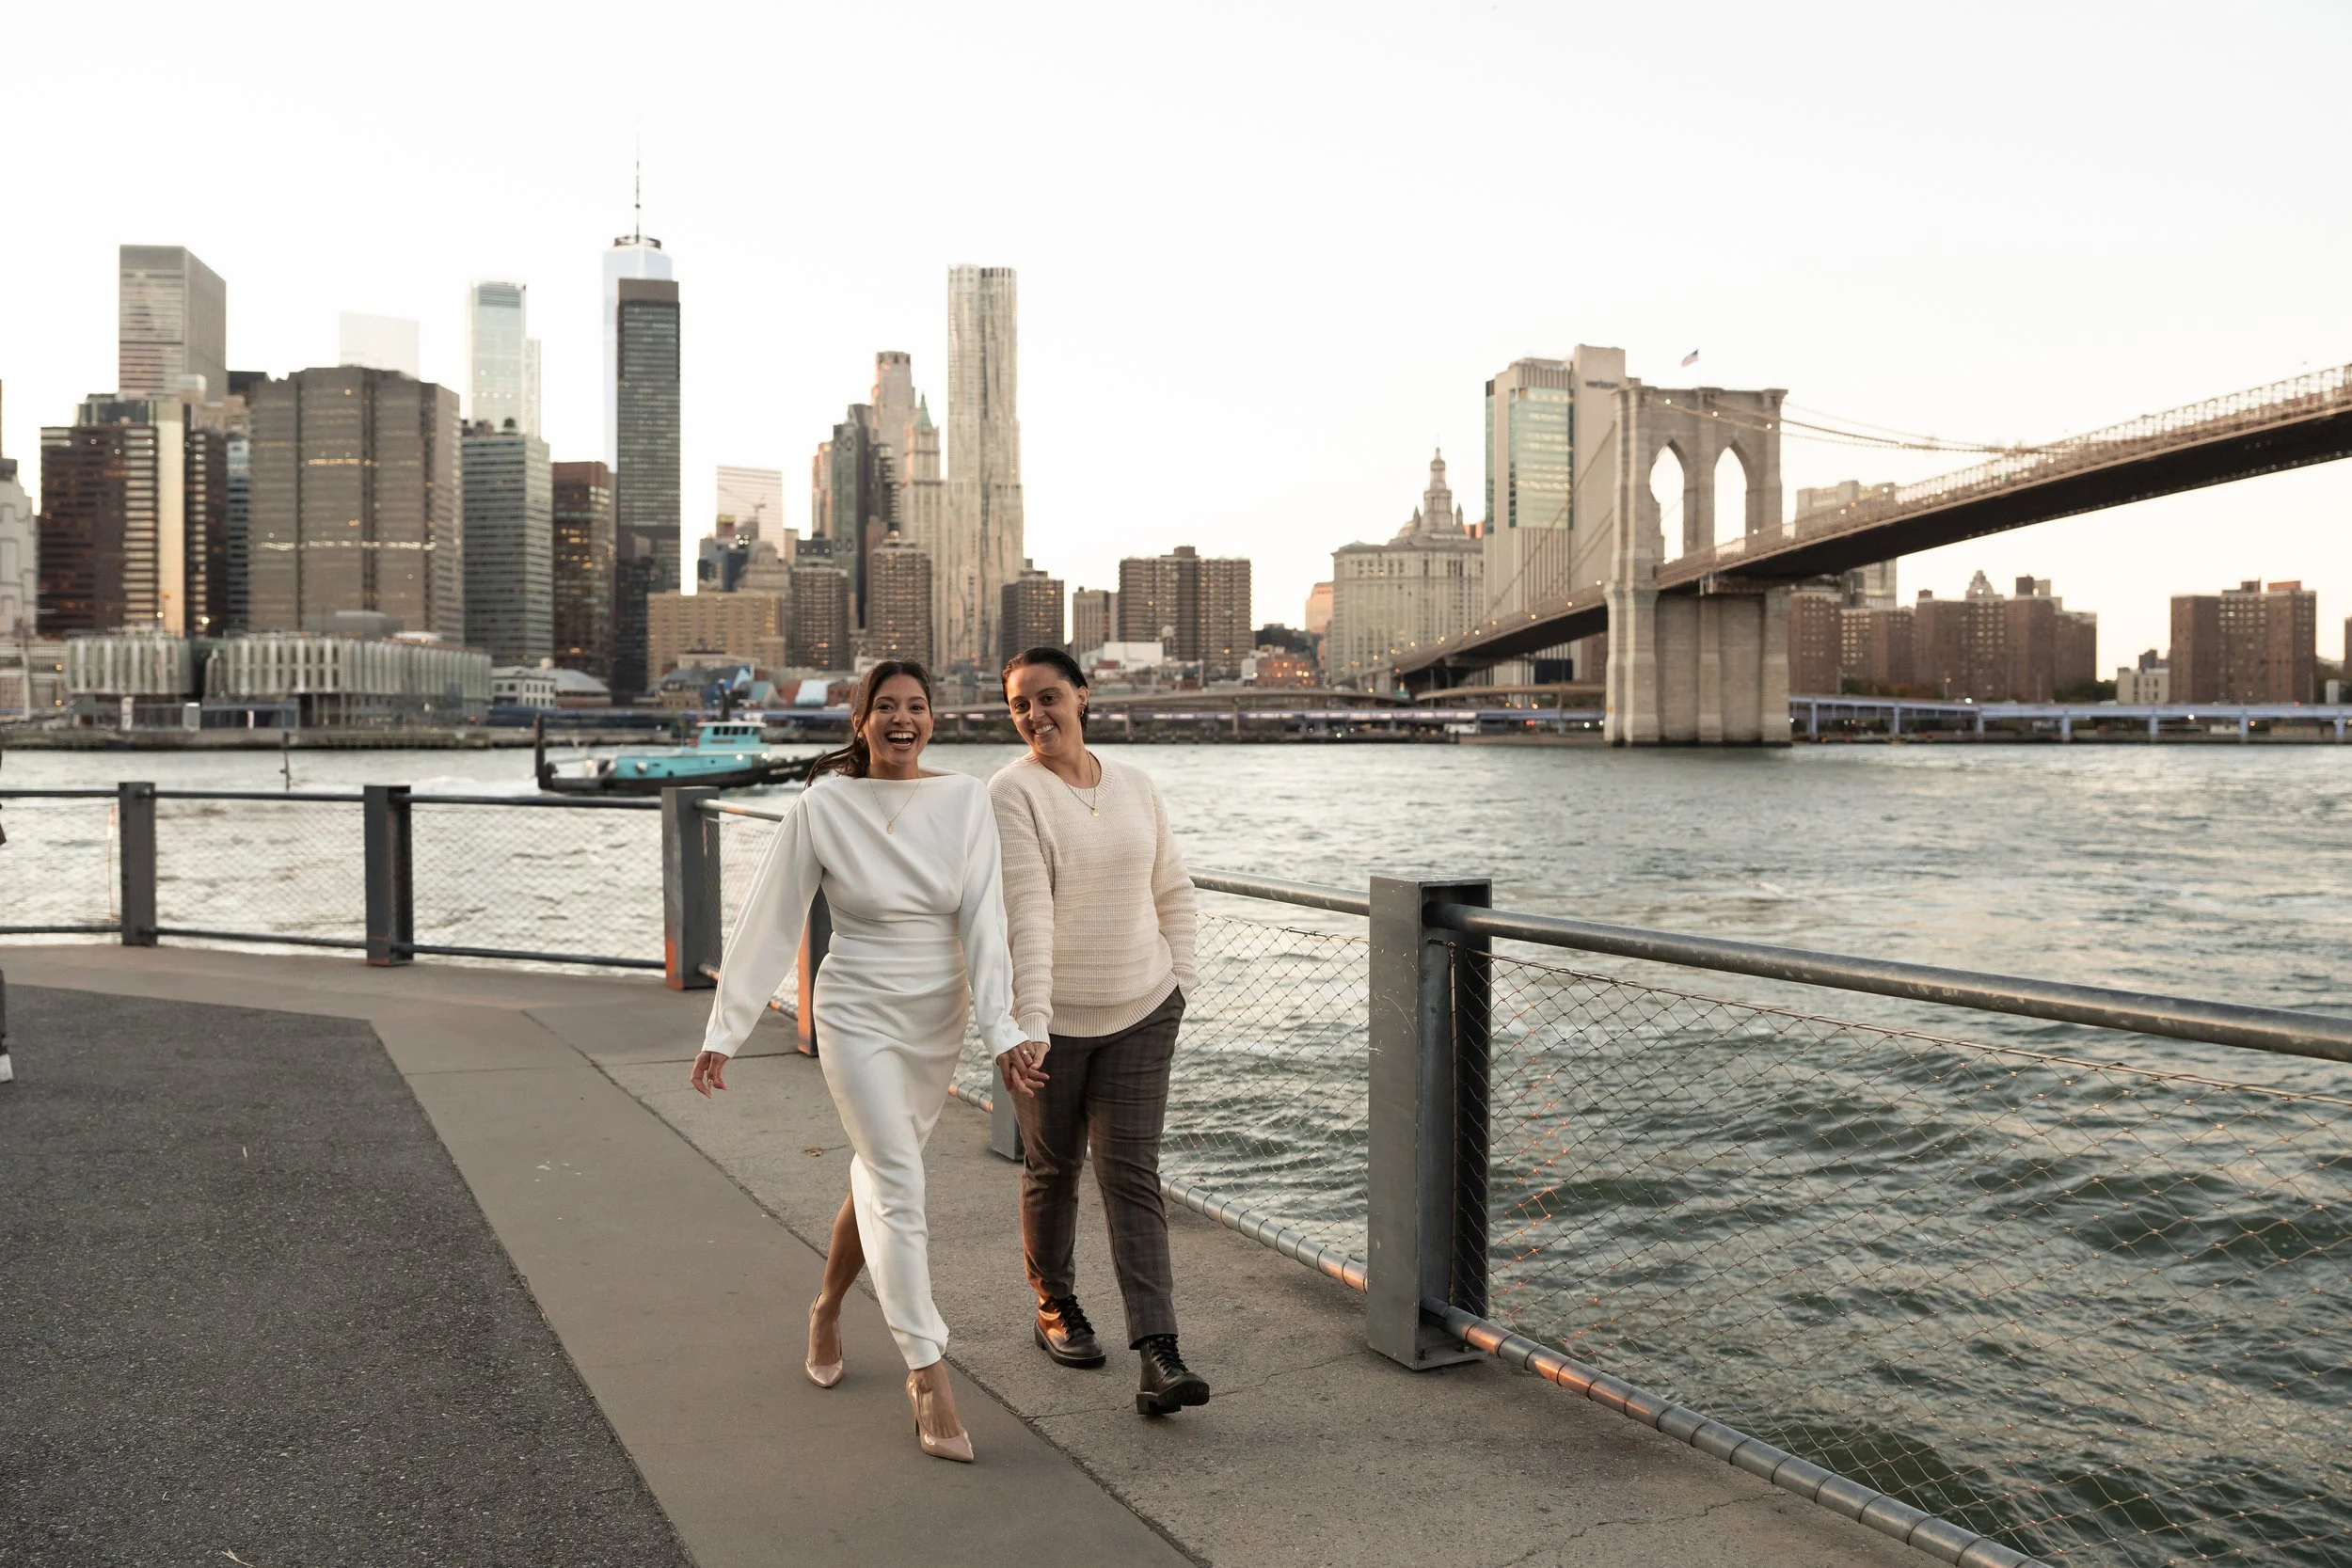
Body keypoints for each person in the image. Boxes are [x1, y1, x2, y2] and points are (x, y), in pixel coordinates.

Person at [691, 660, 1034, 1463]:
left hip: (934, 1016)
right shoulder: (824, 804)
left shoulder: (965, 800)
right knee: (902, 1181)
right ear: (860, 720)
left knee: (884, 1171)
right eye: (886, 707)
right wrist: (724, 1027)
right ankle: (928, 1369)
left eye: (917, 707)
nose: (903, 719)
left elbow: (986, 923)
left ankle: (826, 1305)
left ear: (934, 720)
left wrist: (1004, 1026)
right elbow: (771, 915)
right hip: (855, 1012)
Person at [990, 646, 1211, 1418]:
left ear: (1084, 696)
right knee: (1053, 1169)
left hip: (1144, 1009)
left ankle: (1158, 1350)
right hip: (1051, 1027)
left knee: (1132, 1177)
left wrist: (1178, 981)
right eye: (1021, 705)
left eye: (1048, 697)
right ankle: (1055, 1303)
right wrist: (1034, 1025)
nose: (1036, 715)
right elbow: (1028, 910)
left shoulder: (1138, 786)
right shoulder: (1011, 793)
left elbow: (1172, 887)